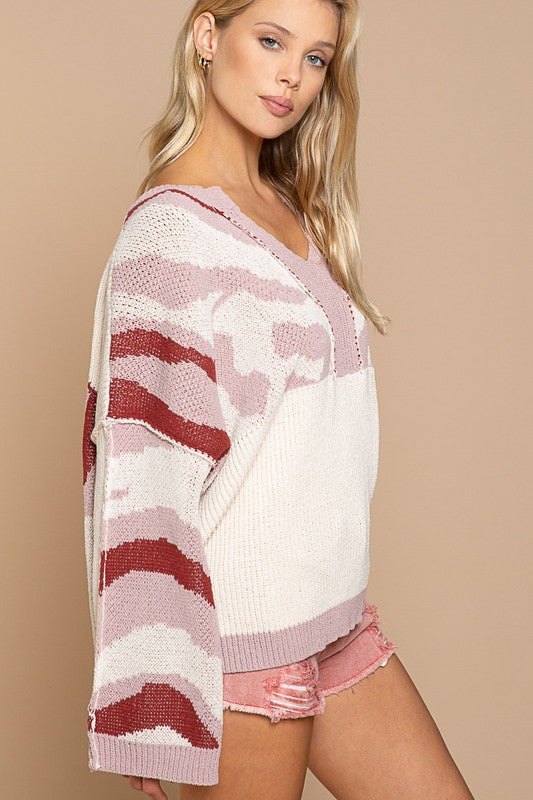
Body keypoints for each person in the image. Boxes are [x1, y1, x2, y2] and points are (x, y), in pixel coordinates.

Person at [81, 1, 476, 798]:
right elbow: (141, 479)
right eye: (270, 41)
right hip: (241, 649)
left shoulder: (289, 208)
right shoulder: (168, 242)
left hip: (333, 618)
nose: (292, 75)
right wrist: (151, 705)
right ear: (207, 36)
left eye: (316, 57)